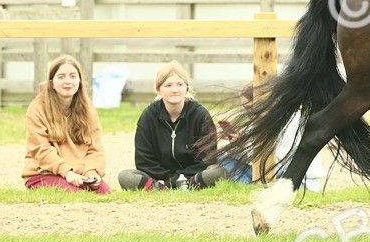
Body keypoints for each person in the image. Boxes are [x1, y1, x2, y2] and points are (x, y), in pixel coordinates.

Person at [117, 62, 227, 190]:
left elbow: (207, 158)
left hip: (191, 176)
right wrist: (166, 179)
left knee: (217, 171)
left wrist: (180, 178)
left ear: (186, 87)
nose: (175, 90)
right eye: (168, 85)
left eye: (180, 84)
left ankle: (183, 186)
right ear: (158, 89)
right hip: (159, 179)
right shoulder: (148, 116)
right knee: (125, 176)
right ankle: (161, 188)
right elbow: (143, 160)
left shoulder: (200, 115)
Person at [22, 54, 111, 193]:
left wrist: (91, 172)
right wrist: (67, 172)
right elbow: (41, 149)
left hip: (79, 174)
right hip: (44, 172)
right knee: (76, 195)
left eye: (73, 76)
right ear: (51, 82)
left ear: (79, 81)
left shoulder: (89, 112)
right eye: (61, 77)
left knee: (103, 192)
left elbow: (95, 149)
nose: (68, 81)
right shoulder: (37, 110)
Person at [218, 83, 326, 190]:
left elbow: (264, 159)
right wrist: (238, 142)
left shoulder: (286, 120)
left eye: (250, 107)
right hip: (283, 174)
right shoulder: (262, 120)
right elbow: (248, 156)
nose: (247, 113)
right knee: (223, 159)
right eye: (244, 108)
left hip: (297, 181)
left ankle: (247, 186)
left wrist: (242, 145)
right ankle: (247, 186)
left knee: (225, 162)